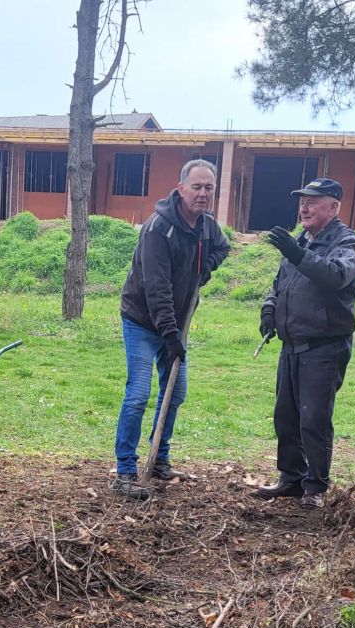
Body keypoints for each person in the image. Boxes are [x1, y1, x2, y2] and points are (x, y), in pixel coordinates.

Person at [113, 159, 230, 499]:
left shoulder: (207, 227)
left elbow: (223, 248)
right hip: (143, 320)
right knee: (138, 393)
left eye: (209, 187)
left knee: (175, 392)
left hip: (175, 324)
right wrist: (169, 334)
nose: (203, 193)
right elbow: (156, 287)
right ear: (181, 189)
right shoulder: (158, 228)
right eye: (197, 186)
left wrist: (206, 265)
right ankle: (125, 471)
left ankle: (160, 459)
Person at [256, 178, 355, 511]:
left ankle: (315, 486)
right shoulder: (300, 240)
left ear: (333, 206)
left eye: (313, 201)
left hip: (324, 346)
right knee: (285, 416)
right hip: (291, 345)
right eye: (302, 200)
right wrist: (269, 309)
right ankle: (291, 478)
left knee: (313, 419)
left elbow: (335, 276)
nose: (304, 207)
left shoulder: (347, 243)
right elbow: (278, 284)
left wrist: (298, 253)